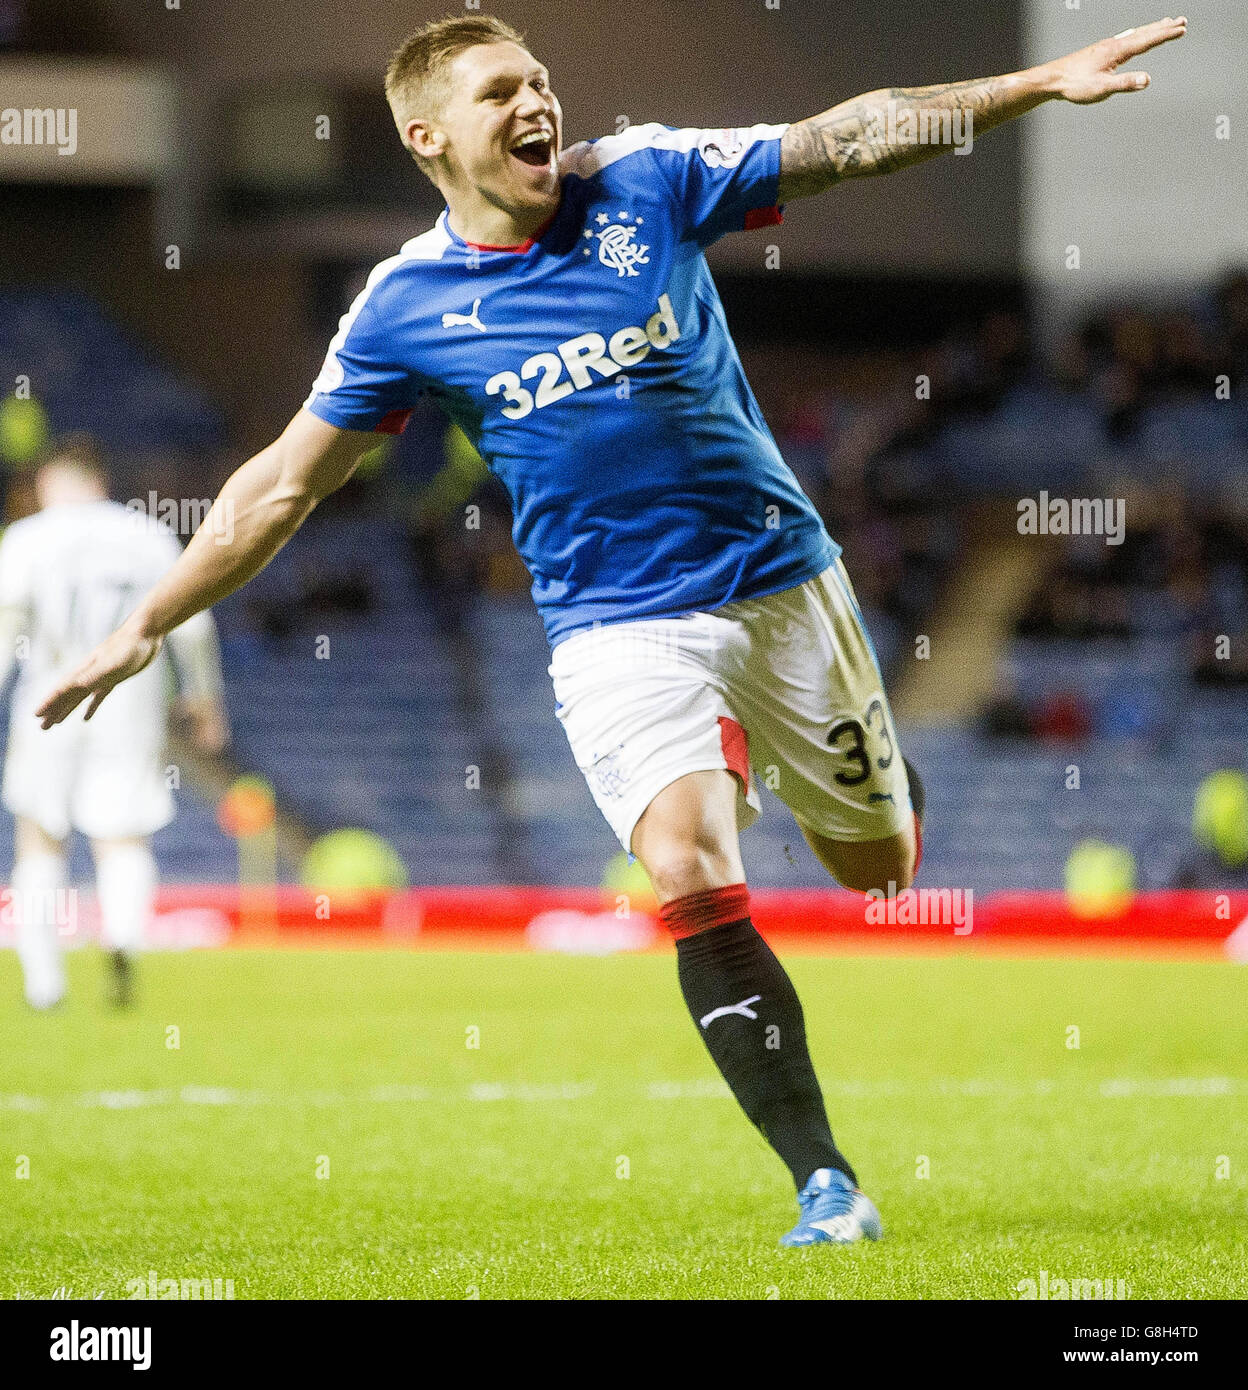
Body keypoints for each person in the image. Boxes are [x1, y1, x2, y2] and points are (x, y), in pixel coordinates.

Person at [35, 13, 1186, 1242]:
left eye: (540, 80)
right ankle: (825, 1181)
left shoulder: (643, 178)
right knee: (688, 862)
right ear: (427, 135)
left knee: (877, 870)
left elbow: (843, 141)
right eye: (500, 91)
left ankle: (844, 778)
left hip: (787, 588)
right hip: (616, 625)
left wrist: (1031, 86)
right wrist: (151, 621)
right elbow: (278, 487)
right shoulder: (405, 308)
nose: (539, 102)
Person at [0, 438, 227, 1008]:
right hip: (128, 699)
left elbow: (5, 632)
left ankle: (44, 980)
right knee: (122, 834)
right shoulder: (145, 534)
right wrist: (204, 699)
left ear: (52, 484)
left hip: (49, 696)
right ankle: (123, 937)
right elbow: (193, 626)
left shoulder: (28, 537)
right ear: (100, 483)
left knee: (41, 840)